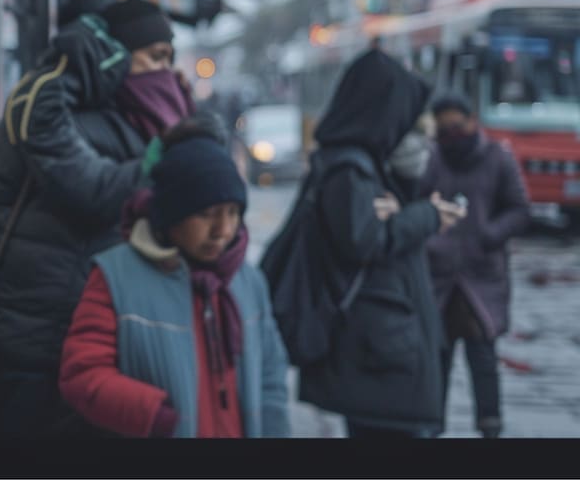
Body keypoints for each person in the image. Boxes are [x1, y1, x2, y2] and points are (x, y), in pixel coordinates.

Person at [0, 0, 193, 437]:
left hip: (94, 336)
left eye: (170, 58)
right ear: (114, 56)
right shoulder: (55, 112)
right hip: (31, 339)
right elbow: (95, 193)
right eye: (154, 57)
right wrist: (73, 60)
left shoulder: (129, 116)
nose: (164, 72)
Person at [58, 114, 290, 438]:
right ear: (171, 215)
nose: (222, 230)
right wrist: (153, 415)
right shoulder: (116, 278)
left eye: (232, 212)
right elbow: (82, 373)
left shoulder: (247, 282)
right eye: (206, 214)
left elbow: (271, 378)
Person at [297, 49, 466, 438]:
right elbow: (364, 241)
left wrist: (409, 209)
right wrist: (426, 216)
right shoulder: (350, 169)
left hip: (384, 346)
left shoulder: (363, 164)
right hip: (378, 353)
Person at [421, 92, 530, 438]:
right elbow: (416, 204)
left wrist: (488, 235)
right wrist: (430, 238)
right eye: (443, 129)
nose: (451, 135)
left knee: (483, 358)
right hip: (439, 278)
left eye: (456, 126)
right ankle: (431, 427)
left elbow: (519, 209)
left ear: (471, 121)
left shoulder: (498, 157)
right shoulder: (433, 159)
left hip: (481, 278)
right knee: (436, 360)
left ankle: (489, 426)